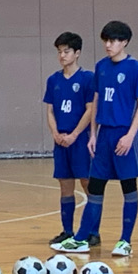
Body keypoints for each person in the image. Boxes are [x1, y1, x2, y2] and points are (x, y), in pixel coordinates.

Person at [61, 19, 138, 260]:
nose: (108, 45)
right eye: (106, 41)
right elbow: (97, 99)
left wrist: (130, 135)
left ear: (124, 42)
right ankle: (80, 238)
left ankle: (125, 241)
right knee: (96, 186)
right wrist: (92, 133)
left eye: (113, 41)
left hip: (125, 134)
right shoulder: (101, 67)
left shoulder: (135, 68)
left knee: (128, 187)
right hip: (104, 135)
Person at [42, 31, 96, 250]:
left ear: (77, 53)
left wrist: (74, 134)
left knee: (87, 183)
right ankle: (68, 231)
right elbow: (50, 110)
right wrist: (56, 133)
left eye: (66, 51)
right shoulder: (53, 80)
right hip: (61, 140)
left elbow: (90, 109)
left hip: (80, 139)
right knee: (65, 186)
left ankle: (93, 231)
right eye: (59, 52)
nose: (62, 56)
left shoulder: (87, 79)